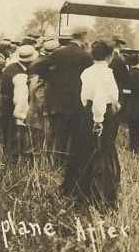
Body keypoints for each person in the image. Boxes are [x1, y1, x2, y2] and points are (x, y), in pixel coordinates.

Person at [65, 40, 121, 209]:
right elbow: (100, 99)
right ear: (110, 56)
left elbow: (84, 97)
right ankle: (100, 194)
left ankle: (78, 190)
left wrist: (90, 113)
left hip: (87, 112)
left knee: (84, 149)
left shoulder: (87, 72)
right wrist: (98, 120)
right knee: (102, 151)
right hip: (101, 116)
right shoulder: (107, 73)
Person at [29, 26, 93, 162]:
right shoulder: (85, 56)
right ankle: (71, 166)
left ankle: (57, 163)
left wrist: (52, 78)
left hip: (58, 102)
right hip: (77, 102)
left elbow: (36, 67)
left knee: (60, 137)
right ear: (83, 36)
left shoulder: (58, 53)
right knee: (75, 137)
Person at [0, 45, 36, 162]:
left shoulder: (10, 67)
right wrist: (22, 117)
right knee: (15, 138)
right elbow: (21, 98)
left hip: (5, 105)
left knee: (8, 136)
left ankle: (8, 162)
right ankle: (14, 165)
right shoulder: (20, 75)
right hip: (13, 108)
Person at [27, 38, 59, 158]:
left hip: (35, 113)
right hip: (41, 113)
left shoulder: (37, 65)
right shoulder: (42, 75)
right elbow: (41, 99)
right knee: (44, 139)